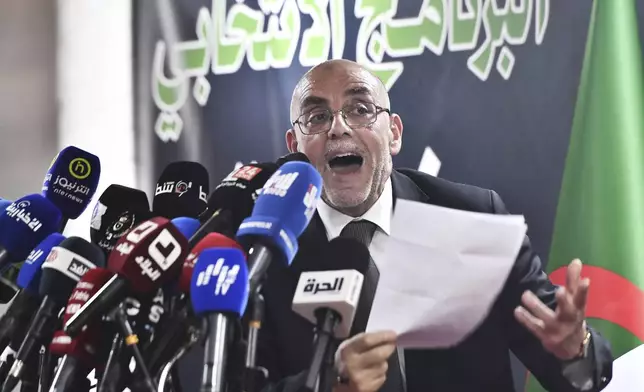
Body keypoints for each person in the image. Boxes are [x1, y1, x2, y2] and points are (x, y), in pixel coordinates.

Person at [254, 59, 613, 392]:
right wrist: (326, 384)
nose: (338, 127)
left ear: (393, 134)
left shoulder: (473, 219)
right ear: (293, 150)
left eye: (360, 109)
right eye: (316, 117)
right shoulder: (262, 252)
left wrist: (574, 350)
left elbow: (574, 373)